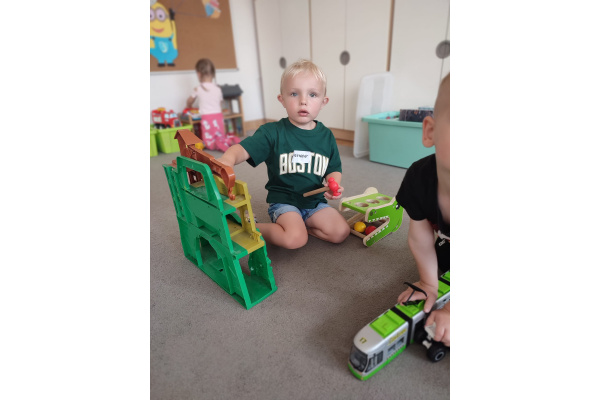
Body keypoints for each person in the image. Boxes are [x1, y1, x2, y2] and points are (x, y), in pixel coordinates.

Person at [217, 59, 350, 249]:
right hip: (284, 202)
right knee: (295, 239)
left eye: (312, 94)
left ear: (323, 102)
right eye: (294, 94)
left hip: (314, 202)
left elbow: (333, 168)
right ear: (282, 100)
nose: (303, 100)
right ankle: (246, 227)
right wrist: (227, 159)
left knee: (340, 232)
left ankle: (302, 225)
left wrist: (332, 183)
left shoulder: (326, 136)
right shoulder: (272, 132)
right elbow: (243, 149)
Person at [396, 73, 450, 347]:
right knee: (441, 263)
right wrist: (429, 284)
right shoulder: (419, 177)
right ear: (430, 132)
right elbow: (420, 237)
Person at [186, 58, 236, 151]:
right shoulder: (218, 89)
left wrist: (189, 106)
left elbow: (189, 101)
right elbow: (220, 104)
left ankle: (217, 145)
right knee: (220, 136)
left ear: (199, 74)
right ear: (213, 74)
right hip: (218, 117)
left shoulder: (198, 89)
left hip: (207, 118)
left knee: (209, 143)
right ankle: (227, 141)